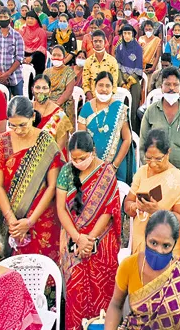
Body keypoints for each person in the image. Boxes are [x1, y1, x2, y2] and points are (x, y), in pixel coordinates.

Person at [56, 131, 122, 330]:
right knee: (76, 293)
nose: (77, 162)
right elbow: (61, 208)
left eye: (82, 158)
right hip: (73, 239)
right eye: (74, 158)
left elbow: (109, 210)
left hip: (100, 240)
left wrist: (90, 239)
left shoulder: (106, 172)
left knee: (104, 292)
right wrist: (78, 238)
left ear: (93, 152)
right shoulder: (66, 172)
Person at [104, 211, 180, 329]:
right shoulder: (129, 265)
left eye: (166, 245)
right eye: (153, 243)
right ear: (146, 238)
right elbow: (116, 304)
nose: (159, 250)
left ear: (174, 244)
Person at [0, 95, 63, 260]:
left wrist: (30, 221)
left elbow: (52, 186)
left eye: (23, 125)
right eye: (12, 125)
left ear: (32, 117)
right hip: (12, 214)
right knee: (14, 266)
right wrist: (11, 220)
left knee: (43, 267)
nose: (18, 130)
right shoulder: (2, 142)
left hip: (43, 216)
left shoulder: (46, 143)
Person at [124, 127, 180, 261]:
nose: (152, 163)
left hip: (166, 246)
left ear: (168, 153)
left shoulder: (176, 178)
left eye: (158, 159)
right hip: (142, 239)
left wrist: (158, 211)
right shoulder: (142, 172)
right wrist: (134, 207)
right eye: (148, 158)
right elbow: (127, 204)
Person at [139, 66, 180, 199]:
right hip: (155, 176)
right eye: (167, 84)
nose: (171, 88)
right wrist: (154, 169)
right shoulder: (151, 112)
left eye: (175, 85)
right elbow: (143, 144)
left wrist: (179, 173)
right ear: (161, 86)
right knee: (157, 213)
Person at [78, 71, 135, 183]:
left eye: (107, 86)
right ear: (95, 86)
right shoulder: (86, 108)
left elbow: (127, 139)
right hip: (90, 166)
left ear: (112, 88)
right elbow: (81, 140)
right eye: (100, 85)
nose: (104, 89)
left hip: (116, 166)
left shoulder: (119, 108)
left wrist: (114, 166)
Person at [32, 74, 74, 152]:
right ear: (32, 90)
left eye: (45, 88)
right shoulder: (28, 110)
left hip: (52, 158)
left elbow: (60, 148)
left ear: (50, 91)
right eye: (37, 88)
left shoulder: (59, 115)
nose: (41, 91)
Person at [0, 7, 25, 96]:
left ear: (10, 18)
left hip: (15, 77)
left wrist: (7, 74)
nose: (3, 19)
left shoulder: (17, 36)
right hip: (0, 78)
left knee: (18, 104)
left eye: (5, 17)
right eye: (0, 17)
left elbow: (19, 58)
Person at [115, 24, 143, 129]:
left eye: (129, 33)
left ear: (133, 35)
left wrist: (129, 83)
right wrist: (122, 83)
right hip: (121, 80)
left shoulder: (138, 48)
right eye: (124, 33)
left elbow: (139, 68)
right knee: (121, 107)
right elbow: (117, 67)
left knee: (133, 107)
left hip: (134, 81)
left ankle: (133, 131)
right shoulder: (119, 48)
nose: (126, 36)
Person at [83, 30, 119, 101]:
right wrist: (92, 101)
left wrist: (105, 99)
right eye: (95, 41)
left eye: (100, 41)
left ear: (105, 42)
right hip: (92, 99)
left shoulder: (112, 61)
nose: (98, 44)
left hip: (108, 99)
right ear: (92, 42)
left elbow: (114, 83)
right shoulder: (88, 61)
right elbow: (85, 84)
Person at [43, 45, 76, 121]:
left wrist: (56, 105)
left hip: (63, 104)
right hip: (48, 102)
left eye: (59, 55)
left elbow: (68, 91)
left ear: (64, 57)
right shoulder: (46, 72)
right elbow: (43, 89)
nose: (56, 57)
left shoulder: (69, 72)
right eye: (54, 55)